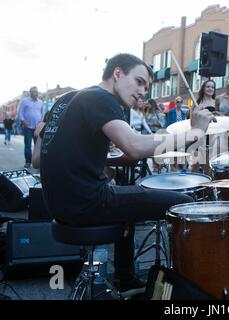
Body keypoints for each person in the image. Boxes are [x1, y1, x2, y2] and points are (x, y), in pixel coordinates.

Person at [37, 53, 214, 297]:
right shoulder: (101, 98)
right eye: (139, 81)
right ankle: (186, 286)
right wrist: (194, 132)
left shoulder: (66, 101)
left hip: (57, 205)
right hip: (87, 203)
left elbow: (38, 159)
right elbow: (133, 148)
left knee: (129, 198)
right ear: (117, 74)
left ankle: (126, 278)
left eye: (147, 87)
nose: (143, 92)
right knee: (184, 204)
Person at [18, 86, 45, 168]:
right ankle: (28, 162)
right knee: (27, 145)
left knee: (38, 146)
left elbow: (43, 114)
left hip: (38, 128)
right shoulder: (24, 101)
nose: (35, 93)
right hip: (28, 127)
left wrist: (41, 123)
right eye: (33, 91)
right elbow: (20, 112)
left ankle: (37, 162)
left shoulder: (41, 102)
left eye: (36, 91)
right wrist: (23, 120)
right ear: (30, 92)